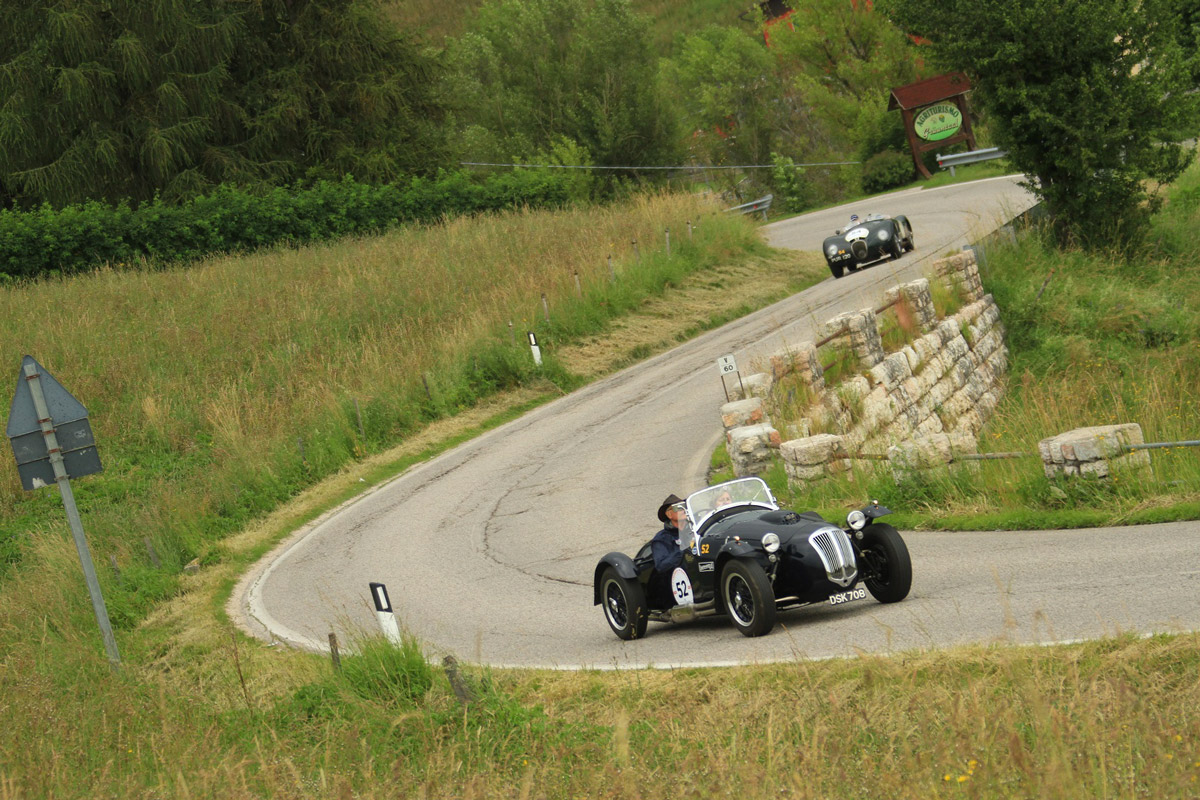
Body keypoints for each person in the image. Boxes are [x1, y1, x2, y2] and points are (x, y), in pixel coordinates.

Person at [650, 493, 686, 573]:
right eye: (678, 508)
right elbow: (661, 566)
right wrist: (684, 551)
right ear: (669, 514)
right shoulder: (661, 539)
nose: (683, 510)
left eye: (684, 506)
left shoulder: (695, 529)